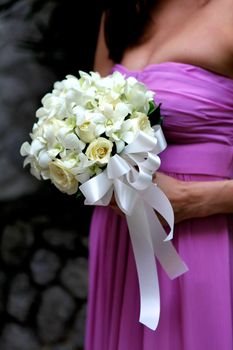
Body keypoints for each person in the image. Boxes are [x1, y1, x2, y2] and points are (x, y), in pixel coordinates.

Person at [85, 0, 233, 349]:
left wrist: (198, 200)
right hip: (120, 239)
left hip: (206, 235)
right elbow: (86, 118)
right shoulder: (123, 10)